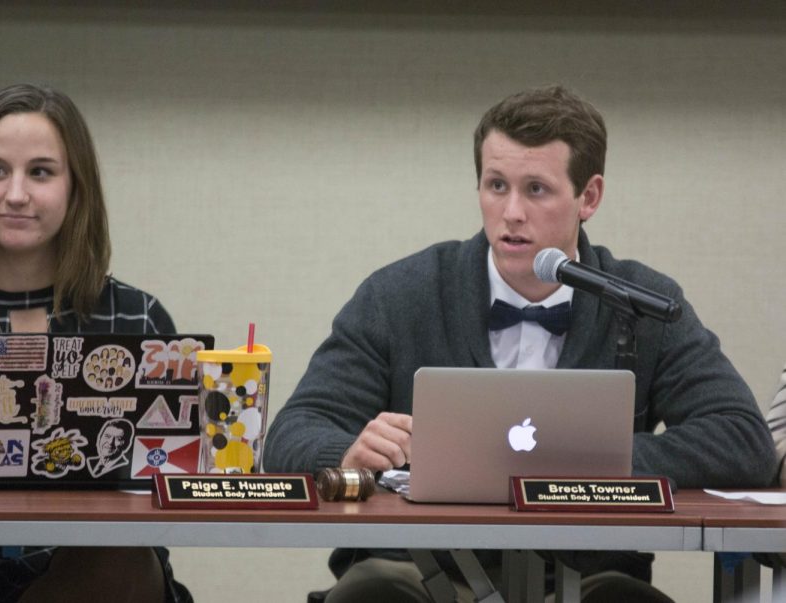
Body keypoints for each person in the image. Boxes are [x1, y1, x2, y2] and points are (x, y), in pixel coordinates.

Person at [264, 85, 778, 602]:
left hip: (586, 581)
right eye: (495, 185)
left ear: (589, 197)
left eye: (536, 189)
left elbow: (741, 440)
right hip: (414, 573)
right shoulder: (399, 295)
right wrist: (347, 453)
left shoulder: (643, 304)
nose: (511, 212)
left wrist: (593, 465)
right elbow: (291, 434)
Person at [0, 84, 191, 602]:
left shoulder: (137, 317)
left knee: (115, 566)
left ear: (77, 190)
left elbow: (169, 470)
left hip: (104, 563)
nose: (16, 194)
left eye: (41, 172)